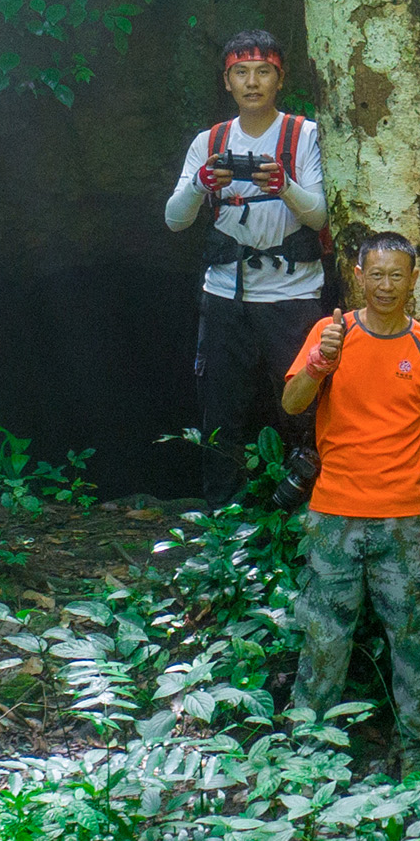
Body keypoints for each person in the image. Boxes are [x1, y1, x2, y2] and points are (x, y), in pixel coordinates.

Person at [281, 230, 420, 755]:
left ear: (413, 279)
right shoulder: (329, 334)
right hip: (333, 514)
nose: (385, 285)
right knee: (324, 640)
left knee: (413, 642)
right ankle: (307, 758)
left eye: (395, 275)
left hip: (404, 519)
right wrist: (320, 362)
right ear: (358, 276)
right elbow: (291, 404)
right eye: (375, 274)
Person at [163, 29, 332, 501]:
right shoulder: (210, 141)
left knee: (300, 406)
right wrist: (200, 182)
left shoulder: (304, 135)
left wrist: (284, 185)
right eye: (242, 72)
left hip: (292, 293)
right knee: (221, 410)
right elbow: (175, 221)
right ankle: (224, 518)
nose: (252, 82)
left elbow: (319, 215)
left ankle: (303, 513)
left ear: (280, 79)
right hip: (225, 294)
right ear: (227, 81)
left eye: (263, 72)